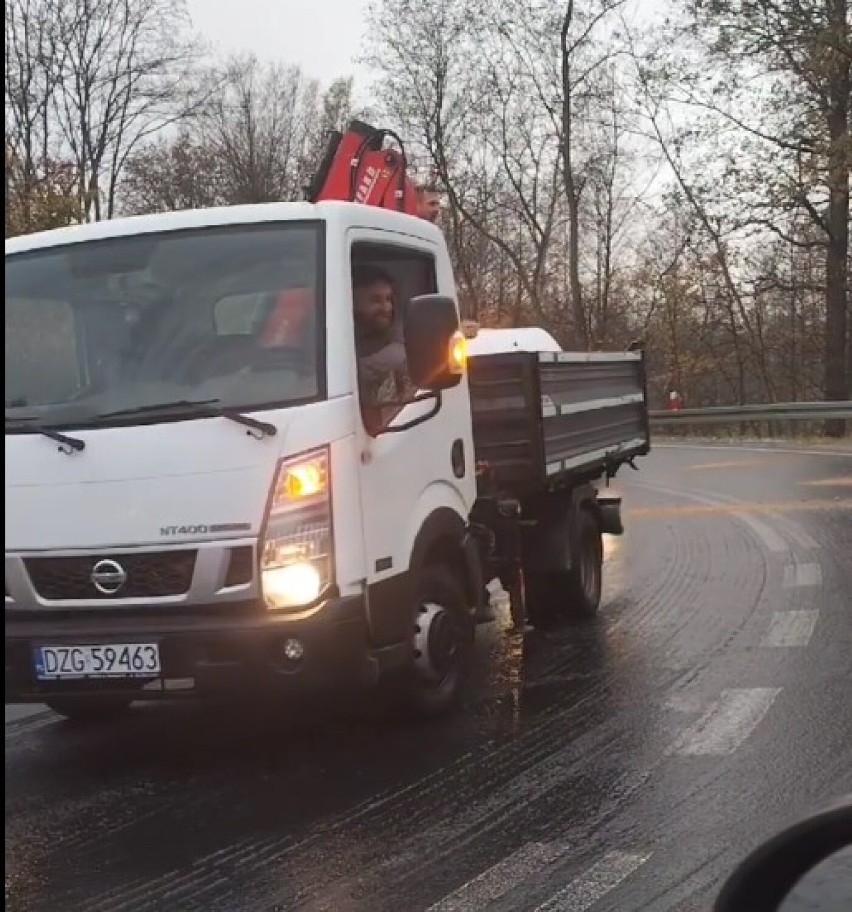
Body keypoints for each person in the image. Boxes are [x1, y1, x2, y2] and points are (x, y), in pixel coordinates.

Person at [352, 264, 415, 431]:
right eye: (375, 300)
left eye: (388, 299)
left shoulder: (403, 352)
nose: (386, 308)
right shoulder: (336, 345)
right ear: (354, 301)